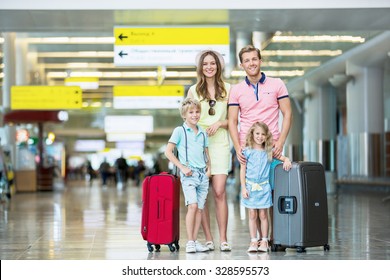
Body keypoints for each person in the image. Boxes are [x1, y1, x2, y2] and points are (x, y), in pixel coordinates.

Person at [228, 45, 293, 244]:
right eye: (246, 60)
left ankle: (272, 237)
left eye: (254, 59)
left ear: (260, 60)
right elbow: (232, 121)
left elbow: (287, 113)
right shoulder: (236, 90)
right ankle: (256, 239)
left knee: (272, 193)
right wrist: (238, 147)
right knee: (253, 198)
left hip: (271, 149)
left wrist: (280, 143)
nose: (251, 63)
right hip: (248, 151)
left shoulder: (277, 84)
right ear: (241, 65)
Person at [187, 49, 231, 251]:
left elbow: (235, 120)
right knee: (201, 195)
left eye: (213, 63)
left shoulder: (229, 90)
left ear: (218, 66)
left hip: (220, 144)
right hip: (199, 147)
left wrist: (220, 123)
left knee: (220, 191)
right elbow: (188, 118)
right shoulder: (194, 91)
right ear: (200, 67)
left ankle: (223, 239)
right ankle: (209, 238)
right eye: (205, 64)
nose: (209, 67)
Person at [164, 97, 211, 253]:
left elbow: (206, 152)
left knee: (199, 209)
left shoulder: (203, 132)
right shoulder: (180, 131)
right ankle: (190, 241)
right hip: (189, 174)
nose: (195, 115)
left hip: (202, 175)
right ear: (184, 115)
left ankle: (195, 240)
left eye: (197, 111)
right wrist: (182, 167)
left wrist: (209, 168)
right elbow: (168, 152)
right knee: (193, 206)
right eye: (191, 112)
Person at [240, 121, 291, 252]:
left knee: (263, 214)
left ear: (266, 136)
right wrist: (244, 187)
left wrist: (287, 160)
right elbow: (243, 170)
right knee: (252, 214)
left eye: (263, 134)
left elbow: (282, 157)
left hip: (264, 187)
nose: (260, 136)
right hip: (250, 187)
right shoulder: (247, 151)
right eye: (257, 133)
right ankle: (253, 241)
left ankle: (264, 240)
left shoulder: (269, 151)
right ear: (252, 134)